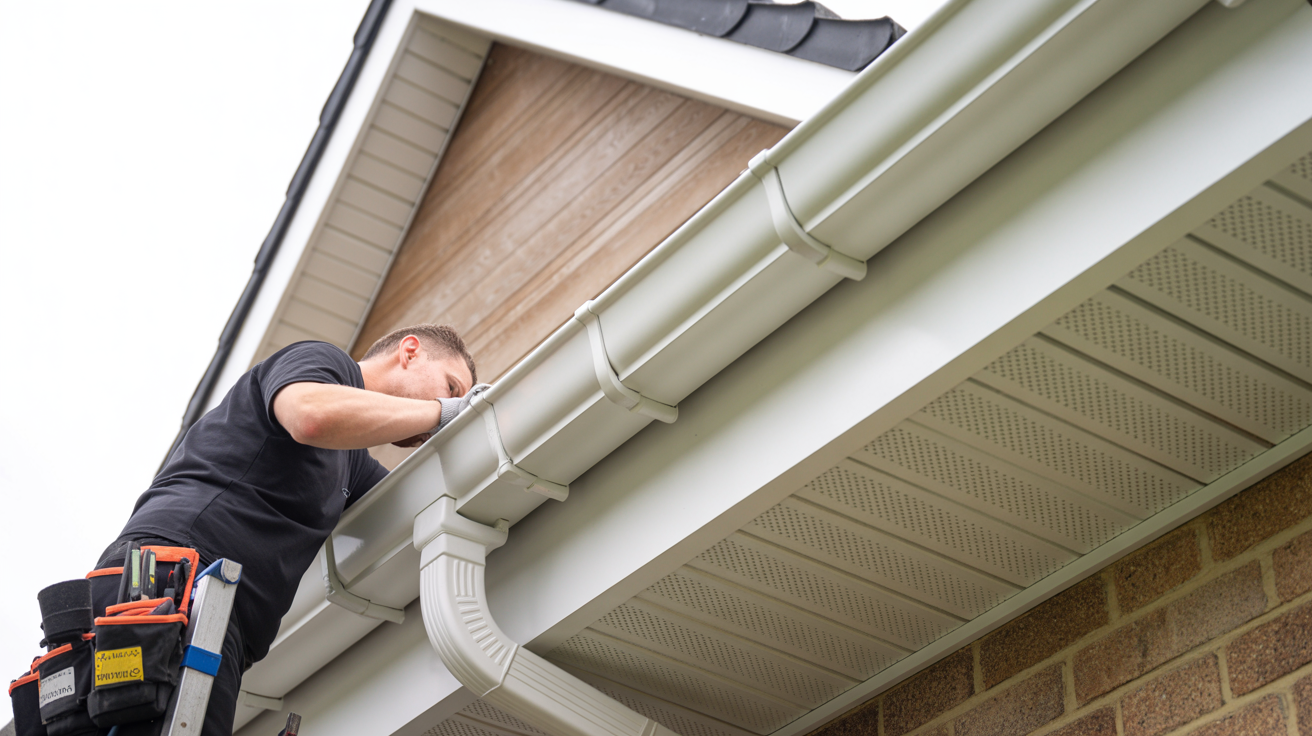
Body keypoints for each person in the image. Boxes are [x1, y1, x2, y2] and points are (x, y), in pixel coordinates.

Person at [92, 324, 481, 735]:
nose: (448, 405)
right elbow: (310, 416)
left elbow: (415, 502)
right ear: (410, 351)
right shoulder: (323, 362)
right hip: (173, 579)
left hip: (217, 618)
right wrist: (446, 411)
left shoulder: (350, 463)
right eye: (450, 388)